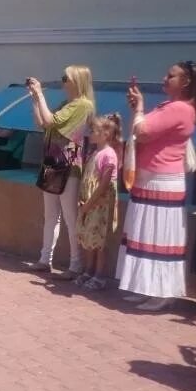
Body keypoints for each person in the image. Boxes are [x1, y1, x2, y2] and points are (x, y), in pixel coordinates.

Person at [119, 62, 196, 311]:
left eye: (171, 75)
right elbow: (139, 130)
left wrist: (141, 108)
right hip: (149, 177)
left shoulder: (181, 109)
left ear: (186, 81)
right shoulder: (168, 106)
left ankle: (163, 291)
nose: (165, 78)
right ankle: (147, 287)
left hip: (163, 180)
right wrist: (138, 108)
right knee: (145, 234)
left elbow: (143, 131)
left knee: (158, 235)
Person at [26, 65, 95, 279]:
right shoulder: (68, 103)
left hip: (69, 166)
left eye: (66, 77)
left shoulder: (83, 105)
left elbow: (50, 121)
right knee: (50, 216)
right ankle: (44, 259)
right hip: (53, 163)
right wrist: (36, 100)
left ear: (77, 81)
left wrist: (39, 94)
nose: (63, 81)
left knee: (69, 216)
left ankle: (76, 264)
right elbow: (42, 123)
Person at [75, 114, 121, 292]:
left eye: (93, 131)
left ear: (105, 134)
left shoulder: (109, 156)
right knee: (89, 239)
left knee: (99, 241)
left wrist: (89, 204)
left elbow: (103, 185)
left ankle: (99, 276)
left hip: (99, 205)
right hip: (89, 203)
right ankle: (88, 270)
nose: (89, 134)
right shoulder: (95, 153)